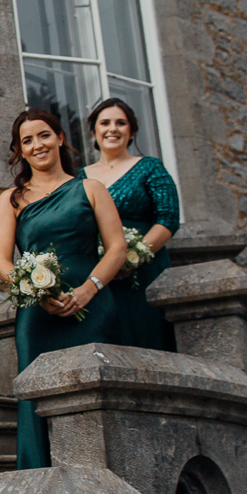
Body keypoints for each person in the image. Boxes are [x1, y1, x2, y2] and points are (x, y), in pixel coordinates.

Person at [0, 109, 128, 470]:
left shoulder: (90, 188)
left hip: (93, 306)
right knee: (36, 398)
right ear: (19, 150)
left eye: (44, 135)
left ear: (60, 138)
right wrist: (36, 294)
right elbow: (2, 261)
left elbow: (117, 247)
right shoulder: (12, 199)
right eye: (27, 140)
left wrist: (89, 288)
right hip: (38, 315)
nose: (38, 145)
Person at [83, 97, 181, 352]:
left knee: (149, 338)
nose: (112, 129)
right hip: (97, 274)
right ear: (94, 131)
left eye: (121, 123)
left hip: (144, 271)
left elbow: (168, 218)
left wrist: (130, 257)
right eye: (105, 123)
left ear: (132, 131)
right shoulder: (79, 177)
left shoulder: (149, 167)